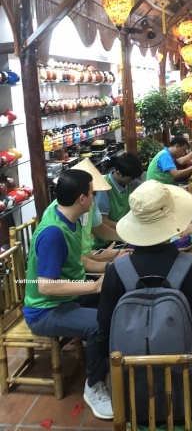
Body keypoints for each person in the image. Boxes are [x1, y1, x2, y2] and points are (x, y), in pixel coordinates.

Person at [96, 180, 192, 400]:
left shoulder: (115, 272)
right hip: (185, 390)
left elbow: (102, 340)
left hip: (132, 393)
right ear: (173, 221)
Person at [23, 169, 112, 420]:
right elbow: (46, 286)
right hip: (45, 310)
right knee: (97, 324)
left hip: (65, 297)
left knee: (114, 297)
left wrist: (110, 264)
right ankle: (94, 386)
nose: (94, 198)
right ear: (81, 199)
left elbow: (79, 260)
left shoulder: (65, 215)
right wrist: (94, 286)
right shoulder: (53, 232)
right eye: (92, 194)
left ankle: (105, 360)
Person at [94, 152, 143, 249]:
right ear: (118, 173)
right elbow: (103, 221)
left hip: (124, 236)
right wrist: (127, 229)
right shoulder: (104, 188)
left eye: (134, 179)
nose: (132, 182)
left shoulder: (130, 182)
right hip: (107, 243)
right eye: (130, 179)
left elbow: (147, 190)